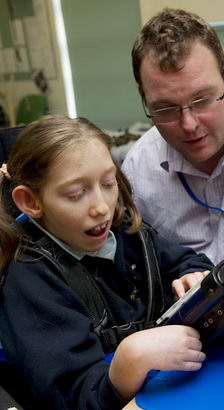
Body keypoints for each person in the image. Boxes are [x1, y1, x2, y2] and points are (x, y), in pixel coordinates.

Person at [0, 115, 213, 410]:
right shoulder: (30, 279)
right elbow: (72, 398)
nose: (102, 207)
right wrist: (129, 361)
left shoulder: (126, 230)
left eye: (108, 182)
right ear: (31, 202)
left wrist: (193, 276)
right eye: (76, 194)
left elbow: (185, 261)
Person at [122, 7, 224, 265]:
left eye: (202, 100)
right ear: (144, 98)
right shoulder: (137, 172)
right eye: (165, 108)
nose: (189, 124)